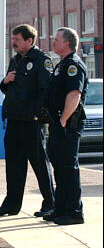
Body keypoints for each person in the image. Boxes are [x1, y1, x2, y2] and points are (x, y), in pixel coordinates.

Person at [0, 24, 55, 217]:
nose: (14, 43)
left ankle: (50, 202)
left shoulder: (41, 61)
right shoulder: (16, 60)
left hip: (31, 122)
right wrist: (5, 81)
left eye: (17, 40)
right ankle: (11, 204)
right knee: (14, 165)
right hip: (14, 120)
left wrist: (37, 114)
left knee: (40, 165)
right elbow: (7, 89)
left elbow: (46, 91)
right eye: (13, 39)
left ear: (29, 41)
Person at [43, 28, 88, 225]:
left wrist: (63, 121)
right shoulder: (61, 65)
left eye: (57, 39)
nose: (53, 42)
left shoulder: (73, 65)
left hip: (68, 124)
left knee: (68, 167)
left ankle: (74, 211)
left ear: (67, 43)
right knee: (59, 167)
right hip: (58, 123)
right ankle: (60, 208)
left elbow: (74, 95)